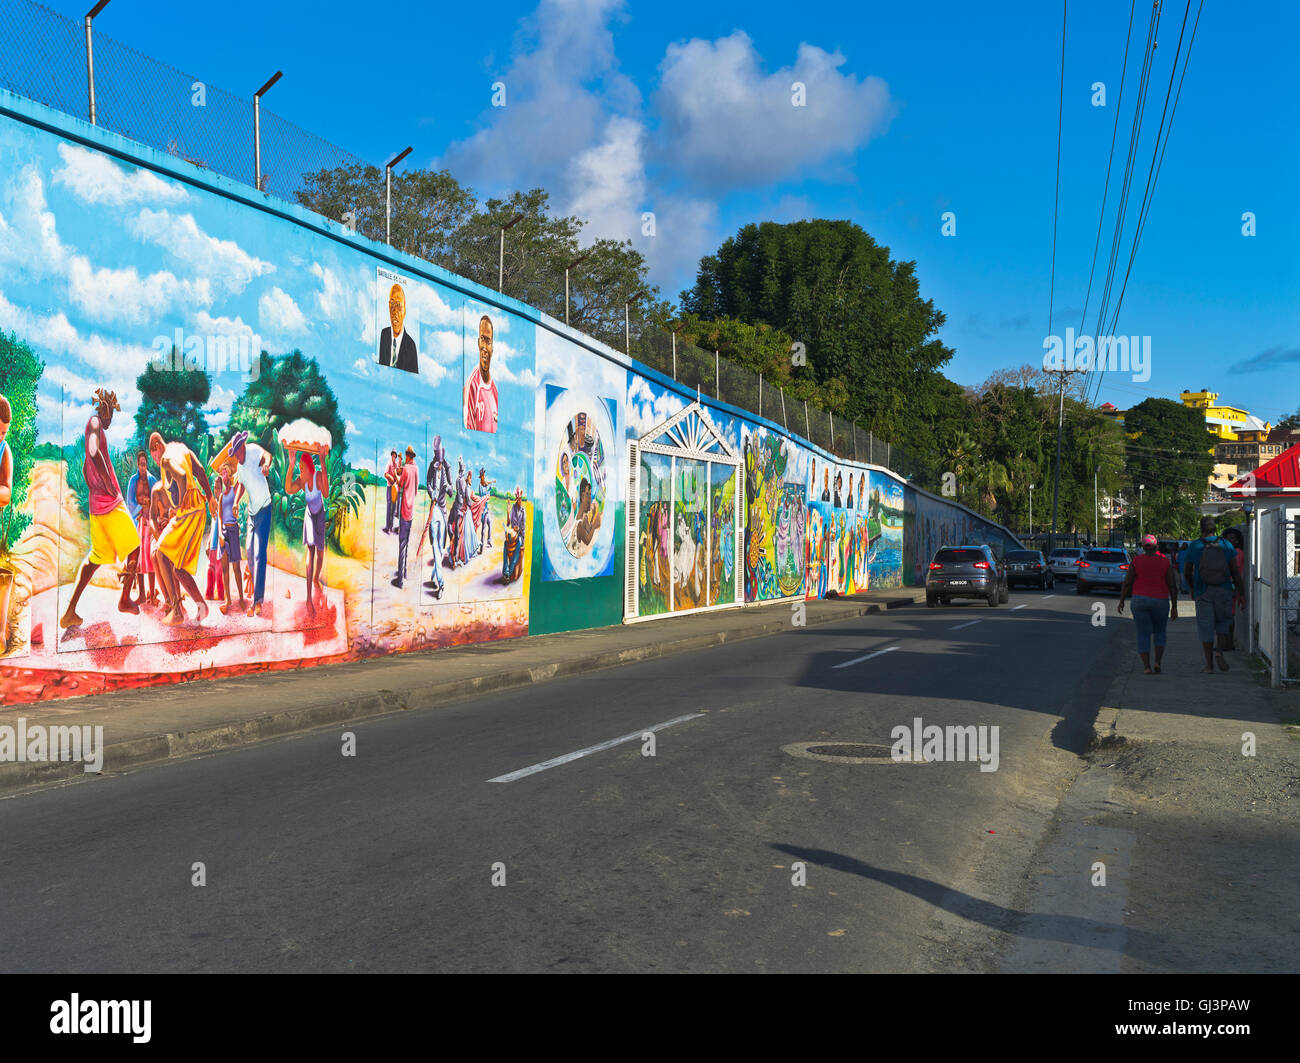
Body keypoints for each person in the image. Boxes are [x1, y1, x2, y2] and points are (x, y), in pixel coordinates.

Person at [60, 389, 142, 627]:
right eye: (110, 417)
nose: (109, 422)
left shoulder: (91, 427)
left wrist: (96, 487)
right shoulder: (95, 422)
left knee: (96, 558)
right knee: (134, 548)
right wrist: (107, 483)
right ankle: (124, 599)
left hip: (98, 506)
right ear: (104, 410)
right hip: (109, 503)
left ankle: (69, 612)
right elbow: (95, 453)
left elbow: (87, 466)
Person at [149, 431, 214, 626]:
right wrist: (210, 497)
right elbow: (200, 470)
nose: (155, 458)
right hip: (199, 509)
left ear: (156, 447)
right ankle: (202, 606)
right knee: (177, 567)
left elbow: (183, 476)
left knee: (160, 553)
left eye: (153, 453)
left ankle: (176, 610)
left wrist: (179, 504)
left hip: (188, 510)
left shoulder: (166, 459)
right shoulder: (181, 448)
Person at [211, 431, 272, 618]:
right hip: (252, 513)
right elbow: (242, 485)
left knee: (259, 554)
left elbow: (267, 455)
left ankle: (258, 601)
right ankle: (255, 595)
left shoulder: (253, 450)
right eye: (235, 453)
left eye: (238, 451)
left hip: (265, 507)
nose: (237, 455)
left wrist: (267, 466)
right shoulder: (240, 468)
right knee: (250, 553)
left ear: (243, 446)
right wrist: (237, 502)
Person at [1183, 515, 1241, 674]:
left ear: (1201, 528)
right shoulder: (1226, 544)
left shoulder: (1194, 546)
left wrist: (1192, 587)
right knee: (1223, 624)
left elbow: (1187, 571)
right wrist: (1241, 593)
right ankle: (1219, 650)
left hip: (1203, 590)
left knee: (1205, 627)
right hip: (1224, 589)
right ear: (1215, 529)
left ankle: (1209, 665)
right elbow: (1235, 571)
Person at [1118, 534, 1179, 674]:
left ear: (1143, 547)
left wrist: (1121, 600)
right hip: (1160, 601)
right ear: (1156, 546)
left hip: (1139, 600)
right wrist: (1174, 606)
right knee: (1160, 632)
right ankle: (1157, 662)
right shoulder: (1164, 562)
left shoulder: (1136, 561)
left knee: (1143, 634)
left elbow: (1127, 582)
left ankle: (1146, 667)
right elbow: (1172, 585)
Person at [284, 448, 329, 614]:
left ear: (310, 469)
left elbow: (325, 492)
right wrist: (291, 464)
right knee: (310, 553)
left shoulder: (317, 476)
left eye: (302, 469)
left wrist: (323, 462)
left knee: (321, 552)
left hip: (320, 515)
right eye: (299, 469)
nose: (300, 472)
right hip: (310, 515)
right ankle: (309, 598)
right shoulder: (302, 481)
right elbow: (288, 488)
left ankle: (316, 578)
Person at [124, 450, 159, 607]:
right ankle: (142, 595)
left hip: (150, 523)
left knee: (150, 557)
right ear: (137, 465)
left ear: (147, 464)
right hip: (138, 523)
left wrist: (150, 506)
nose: (143, 467)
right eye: (140, 464)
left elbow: (158, 499)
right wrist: (141, 507)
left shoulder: (152, 480)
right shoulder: (133, 481)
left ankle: (152, 593)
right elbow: (129, 502)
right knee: (139, 559)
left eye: (145, 464)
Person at [216, 460, 247, 616]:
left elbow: (243, 482)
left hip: (233, 530)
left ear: (230, 474)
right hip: (224, 533)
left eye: (225, 472)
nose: (223, 476)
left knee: (236, 567)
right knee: (225, 568)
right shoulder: (221, 496)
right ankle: (228, 599)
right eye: (221, 473)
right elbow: (220, 517)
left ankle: (241, 597)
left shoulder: (235, 490)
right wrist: (220, 533)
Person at [423, 436, 451, 599]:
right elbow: (427, 482)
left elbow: (451, 490)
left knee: (441, 547)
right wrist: (430, 491)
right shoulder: (431, 467)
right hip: (434, 509)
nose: (439, 464)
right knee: (435, 546)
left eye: (441, 460)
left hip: (443, 509)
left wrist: (448, 487)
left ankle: (434, 575)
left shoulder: (447, 467)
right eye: (437, 460)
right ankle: (441, 583)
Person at [464, 315, 499, 432]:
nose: (484, 347)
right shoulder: (472, 386)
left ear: (492, 348)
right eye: (482, 340)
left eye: (488, 342)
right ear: (478, 343)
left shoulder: (495, 391)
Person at [391, 446, 418, 588]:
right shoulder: (416, 469)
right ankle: (405, 571)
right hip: (411, 510)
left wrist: (396, 475)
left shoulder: (406, 468)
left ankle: (400, 579)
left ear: (407, 456)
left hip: (403, 510)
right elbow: (416, 489)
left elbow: (400, 484)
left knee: (401, 543)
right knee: (406, 541)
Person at [377, 283, 418, 373]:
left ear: (404, 311)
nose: (394, 311)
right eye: (392, 304)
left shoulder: (411, 346)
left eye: (399, 305)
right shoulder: (384, 334)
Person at [502, 487, 527, 583]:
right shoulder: (513, 508)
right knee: (505, 544)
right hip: (513, 533)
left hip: (519, 535)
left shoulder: (523, 511)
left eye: (520, 499)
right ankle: (505, 570)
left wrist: (518, 530)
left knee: (518, 546)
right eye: (518, 499)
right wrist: (508, 511)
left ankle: (509, 572)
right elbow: (508, 523)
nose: (519, 501)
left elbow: (523, 527)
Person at [383, 449, 400, 534]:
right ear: (391, 456)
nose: (394, 457)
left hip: (394, 488)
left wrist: (397, 479)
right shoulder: (389, 464)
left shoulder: (396, 465)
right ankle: (387, 527)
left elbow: (398, 474)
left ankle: (391, 526)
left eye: (395, 456)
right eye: (393, 455)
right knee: (389, 506)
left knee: (394, 507)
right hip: (389, 487)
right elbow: (385, 474)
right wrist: (390, 477)